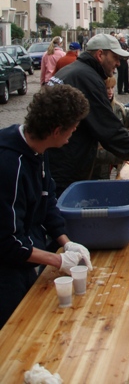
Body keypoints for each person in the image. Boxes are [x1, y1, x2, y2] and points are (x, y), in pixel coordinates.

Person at [0, 85, 93, 328]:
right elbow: (8, 242)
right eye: (72, 129)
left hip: (27, 255)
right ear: (55, 130)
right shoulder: (9, 165)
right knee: (15, 330)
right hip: (6, 271)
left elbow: (47, 198)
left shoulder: (39, 150)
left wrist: (65, 242)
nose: (74, 133)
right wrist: (57, 260)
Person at [47, 33, 129, 195]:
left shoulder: (73, 71)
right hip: (64, 165)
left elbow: (119, 118)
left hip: (56, 159)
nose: (118, 63)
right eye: (115, 57)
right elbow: (108, 127)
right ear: (100, 55)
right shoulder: (87, 78)